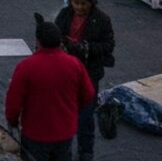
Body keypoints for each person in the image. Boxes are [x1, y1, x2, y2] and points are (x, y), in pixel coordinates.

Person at [6, 15, 95, 161]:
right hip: (65, 131)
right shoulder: (74, 64)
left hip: (35, 132)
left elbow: (13, 102)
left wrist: (13, 121)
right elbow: (88, 95)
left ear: (38, 40)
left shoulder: (26, 67)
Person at [54, 0, 115, 161]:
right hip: (66, 72)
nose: (79, 7)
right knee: (64, 113)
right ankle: (63, 149)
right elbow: (56, 35)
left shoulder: (102, 20)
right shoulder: (65, 15)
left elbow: (108, 45)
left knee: (86, 116)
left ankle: (86, 150)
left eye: (83, 4)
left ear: (91, 3)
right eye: (76, 3)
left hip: (89, 73)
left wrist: (86, 48)